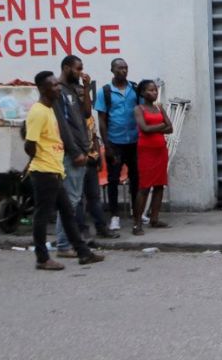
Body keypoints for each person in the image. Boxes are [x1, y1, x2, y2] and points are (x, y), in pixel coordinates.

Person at [24, 71, 104, 270]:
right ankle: (42, 258)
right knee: (42, 216)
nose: (58, 88)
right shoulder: (38, 111)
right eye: (53, 85)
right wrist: (41, 160)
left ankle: (83, 252)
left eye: (58, 85)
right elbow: (29, 144)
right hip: (44, 172)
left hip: (55, 170)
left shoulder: (51, 109)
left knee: (68, 212)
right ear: (42, 89)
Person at [55, 56, 119, 257]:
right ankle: (64, 244)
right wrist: (75, 152)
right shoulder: (59, 91)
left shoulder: (74, 90)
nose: (81, 72)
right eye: (78, 68)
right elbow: (63, 126)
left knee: (82, 198)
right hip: (73, 153)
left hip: (85, 151)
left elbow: (85, 115)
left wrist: (86, 87)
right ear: (66, 68)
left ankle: (72, 241)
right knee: (72, 200)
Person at [95, 58, 140, 230]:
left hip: (133, 142)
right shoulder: (105, 92)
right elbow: (102, 120)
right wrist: (107, 146)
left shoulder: (134, 89)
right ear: (112, 70)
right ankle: (114, 215)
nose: (124, 71)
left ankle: (137, 213)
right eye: (120, 68)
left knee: (136, 178)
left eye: (126, 68)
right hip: (115, 143)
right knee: (113, 180)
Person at [132, 80, 173, 235]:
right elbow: (145, 128)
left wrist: (160, 127)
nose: (154, 93)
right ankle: (137, 224)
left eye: (155, 90)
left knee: (159, 185)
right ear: (142, 93)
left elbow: (170, 127)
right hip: (146, 151)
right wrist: (161, 127)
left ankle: (154, 218)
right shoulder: (139, 109)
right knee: (144, 187)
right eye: (150, 90)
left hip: (160, 150)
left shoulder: (159, 108)